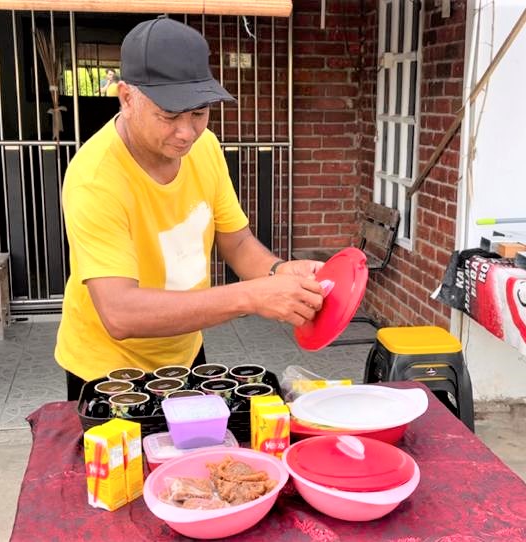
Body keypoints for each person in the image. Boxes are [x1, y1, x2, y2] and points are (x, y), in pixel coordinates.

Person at [56, 16, 325, 400]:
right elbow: (119, 313)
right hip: (107, 372)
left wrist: (279, 271)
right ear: (127, 99)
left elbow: (237, 242)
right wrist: (252, 295)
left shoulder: (206, 148)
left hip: (184, 355)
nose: (187, 133)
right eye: (169, 116)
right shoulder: (95, 178)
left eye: (199, 113)